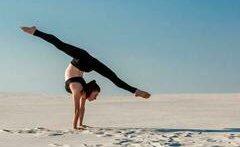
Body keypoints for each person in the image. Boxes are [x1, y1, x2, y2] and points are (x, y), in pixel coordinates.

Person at [20, 26, 151, 130]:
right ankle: (35, 31)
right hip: (85, 61)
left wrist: (76, 126)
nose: (95, 97)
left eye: (96, 95)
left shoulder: (77, 90)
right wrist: (77, 126)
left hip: (83, 60)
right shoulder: (80, 89)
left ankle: (136, 91)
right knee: (60, 45)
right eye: (96, 95)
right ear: (91, 90)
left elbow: (78, 109)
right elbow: (80, 109)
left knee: (113, 77)